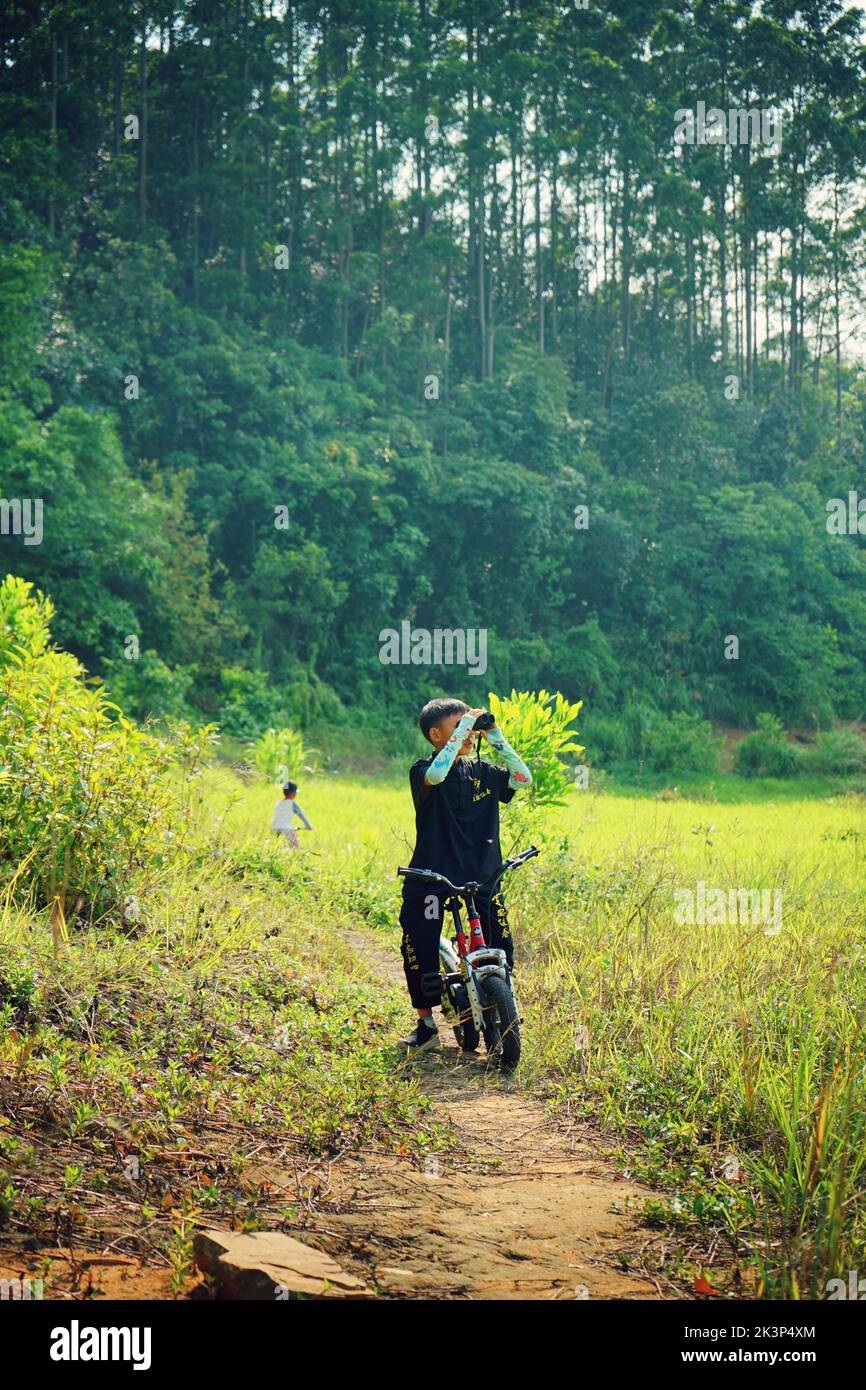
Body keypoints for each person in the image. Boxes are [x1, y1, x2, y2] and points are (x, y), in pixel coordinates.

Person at [398, 698, 532, 1053]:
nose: (467, 733)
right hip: (431, 873)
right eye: (457, 727)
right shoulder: (423, 770)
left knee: (500, 943)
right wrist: (460, 736)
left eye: (468, 727)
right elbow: (438, 774)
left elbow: (523, 778)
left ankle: (502, 1010)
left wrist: (495, 734)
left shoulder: (483, 772)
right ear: (436, 734)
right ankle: (426, 1025)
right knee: (420, 939)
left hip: (482, 872)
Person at [271, 781, 314, 847]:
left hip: (275, 828)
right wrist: (309, 826)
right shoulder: (292, 803)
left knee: (277, 847)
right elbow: (302, 815)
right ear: (293, 793)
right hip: (286, 829)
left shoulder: (279, 802)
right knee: (296, 848)